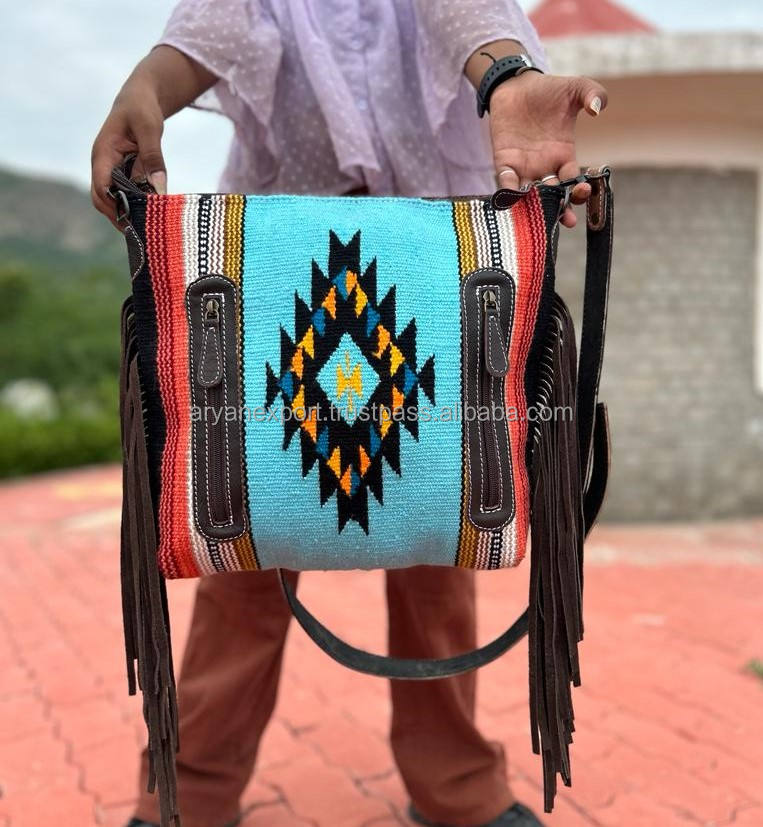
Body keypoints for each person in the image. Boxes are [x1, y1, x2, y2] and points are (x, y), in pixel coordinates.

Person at [92, 3, 607, 826]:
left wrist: (506, 76)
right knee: (243, 554)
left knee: (438, 545)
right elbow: (219, 20)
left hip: (428, 266)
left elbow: (460, 10)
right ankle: (189, 793)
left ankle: (455, 788)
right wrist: (147, 87)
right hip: (276, 270)